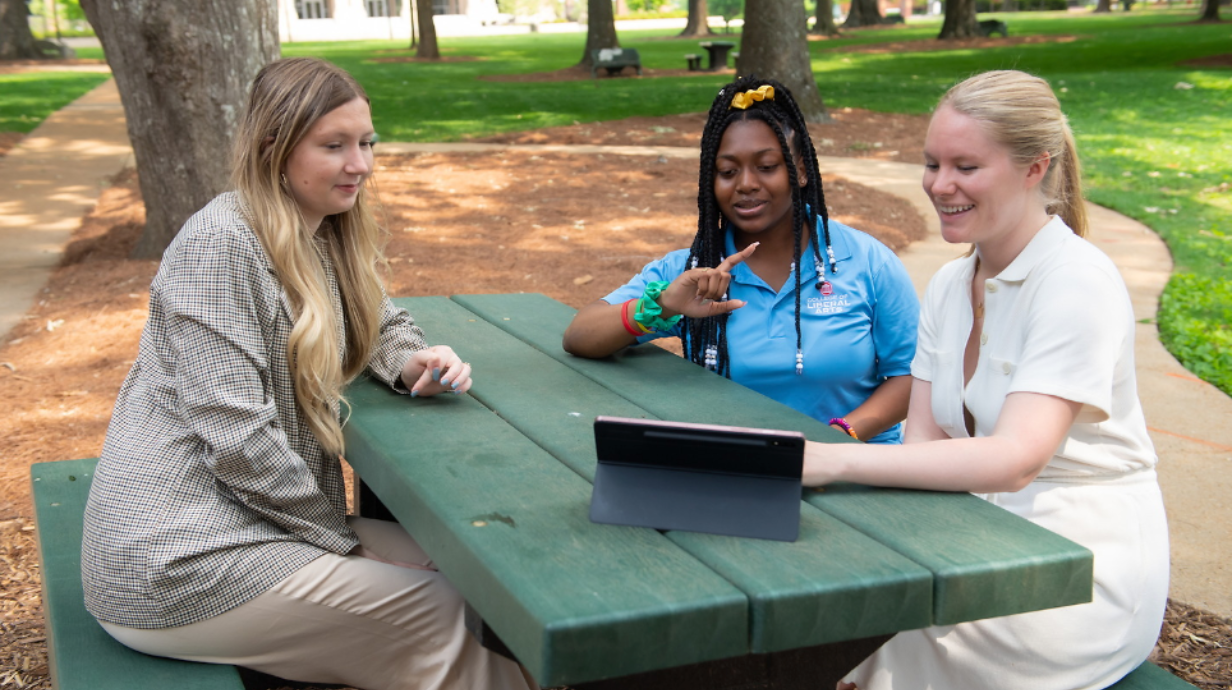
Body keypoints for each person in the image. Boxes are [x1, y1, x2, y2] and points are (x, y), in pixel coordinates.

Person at [81, 57, 536, 690]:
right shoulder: (218, 245)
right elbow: (236, 435)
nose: (362, 164)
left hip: (263, 519)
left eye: (367, 143)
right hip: (181, 555)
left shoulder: (322, 229)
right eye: (335, 146)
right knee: (453, 621)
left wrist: (412, 363)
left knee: (487, 578)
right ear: (275, 149)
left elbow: (378, 318)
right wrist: (342, 542)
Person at [805, 70, 1169, 689]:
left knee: (853, 622)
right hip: (976, 536)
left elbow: (1017, 460)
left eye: (966, 167)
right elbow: (923, 447)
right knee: (825, 595)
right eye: (931, 163)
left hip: (1080, 570)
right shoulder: (950, 284)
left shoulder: (1076, 281)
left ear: (1035, 168)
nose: (940, 186)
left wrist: (833, 461)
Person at [562, 76, 919, 444]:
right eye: (728, 171)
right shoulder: (694, 270)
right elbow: (579, 335)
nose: (745, 183)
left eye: (766, 166)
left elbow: (912, 376)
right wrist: (663, 305)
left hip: (856, 470)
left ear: (799, 169)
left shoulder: (867, 261)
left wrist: (835, 442)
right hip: (738, 473)